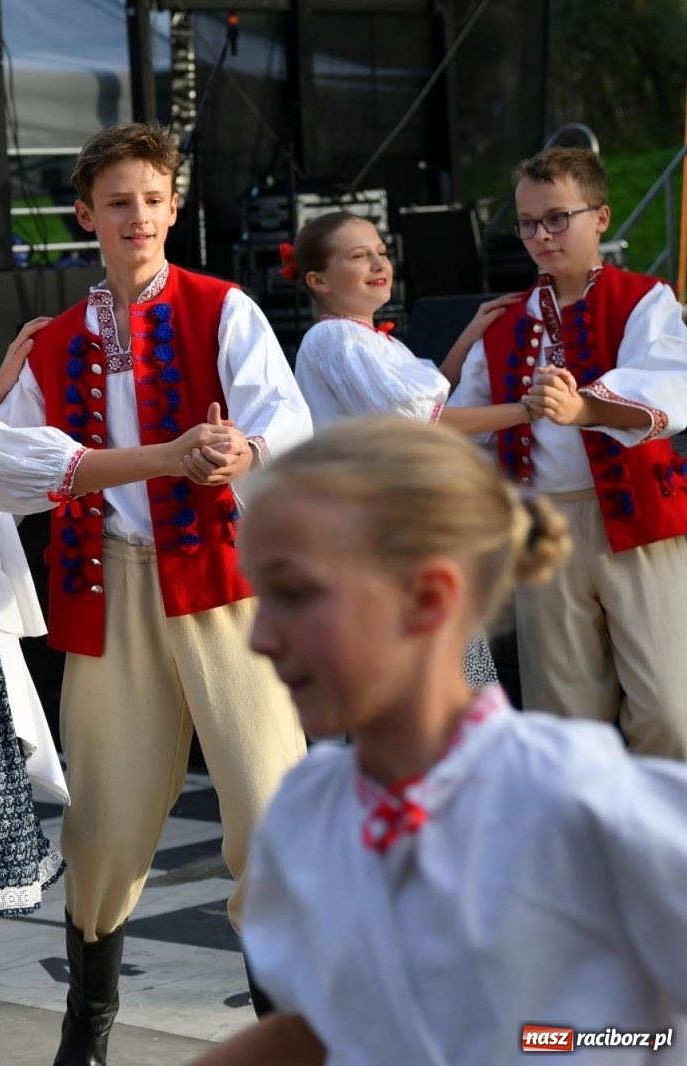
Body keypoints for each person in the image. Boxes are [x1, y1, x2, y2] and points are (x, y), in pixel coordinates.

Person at [0, 123, 312, 1062]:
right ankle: (85, 1037)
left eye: (151, 198)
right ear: (84, 216)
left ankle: (289, 1034)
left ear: (173, 207)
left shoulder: (226, 307)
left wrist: (248, 451)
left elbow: (285, 416)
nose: (136, 216)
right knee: (102, 822)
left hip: (222, 584)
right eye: (116, 201)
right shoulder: (54, 340)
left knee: (271, 805)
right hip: (107, 592)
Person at [192, 416, 687, 1066]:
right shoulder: (306, 813)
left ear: (426, 599)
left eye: (297, 594)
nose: (260, 637)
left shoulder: (584, 803)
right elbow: (315, 1031)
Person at [447, 147, 687, 758]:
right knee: (565, 718)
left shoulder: (645, 299)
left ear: (601, 218)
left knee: (669, 712)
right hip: (541, 528)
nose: (541, 235)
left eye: (558, 218)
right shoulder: (504, 326)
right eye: (528, 223)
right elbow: (458, 427)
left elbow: (669, 382)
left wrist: (587, 408)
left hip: (639, 522)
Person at [284, 210, 541, 690]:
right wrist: (527, 411)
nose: (378, 262)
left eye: (381, 252)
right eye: (359, 256)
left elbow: (428, 394)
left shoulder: (368, 340)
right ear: (318, 280)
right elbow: (426, 424)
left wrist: (471, 332)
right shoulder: (335, 337)